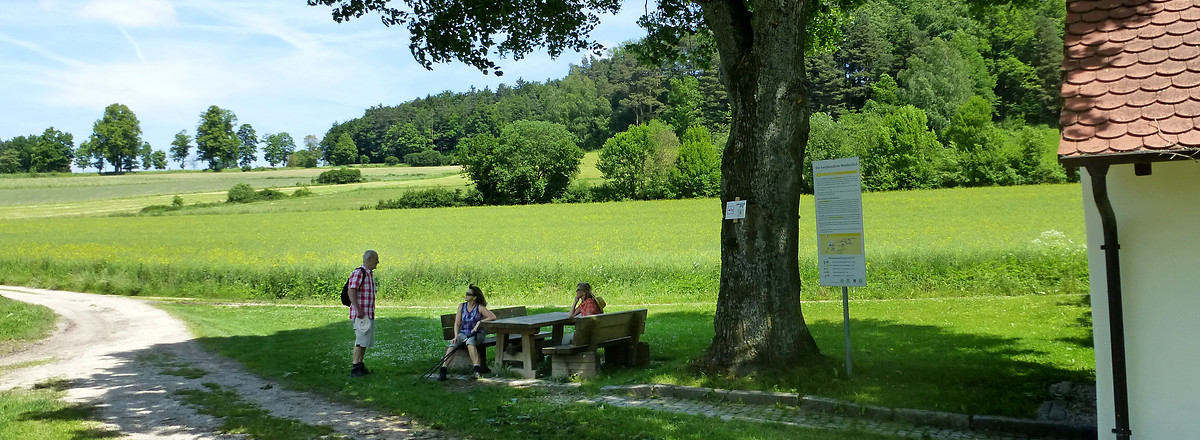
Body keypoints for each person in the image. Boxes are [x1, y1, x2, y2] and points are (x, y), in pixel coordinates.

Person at [438, 284, 497, 381]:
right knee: (453, 344)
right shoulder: (462, 306)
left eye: (468, 294)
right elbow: (457, 323)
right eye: (466, 293)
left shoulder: (479, 308)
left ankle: (477, 369)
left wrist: (480, 322)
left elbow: (493, 317)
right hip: (463, 333)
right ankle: (443, 369)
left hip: (477, 334)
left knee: (470, 342)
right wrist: (456, 336)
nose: (466, 295)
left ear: (474, 297)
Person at [348, 250, 379, 378]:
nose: (378, 261)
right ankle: (355, 368)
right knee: (361, 339)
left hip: (367, 313)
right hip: (361, 314)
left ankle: (360, 364)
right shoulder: (359, 273)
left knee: (365, 340)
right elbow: (351, 291)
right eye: (376, 259)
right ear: (369, 259)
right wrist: (358, 309)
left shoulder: (369, 274)